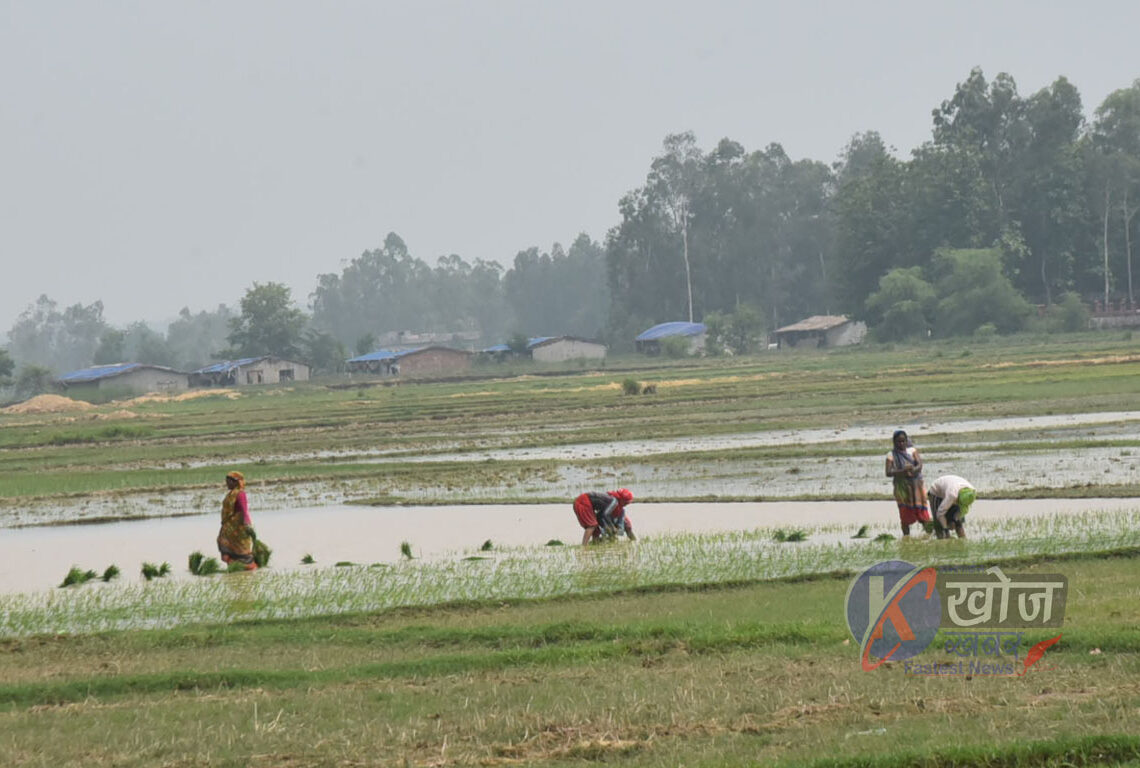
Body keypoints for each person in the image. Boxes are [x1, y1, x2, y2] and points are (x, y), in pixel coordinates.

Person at [885, 429, 931, 536]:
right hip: (902, 488)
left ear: (906, 441)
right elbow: (888, 472)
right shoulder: (891, 455)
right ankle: (906, 537)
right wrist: (903, 472)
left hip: (916, 487)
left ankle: (929, 534)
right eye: (898, 442)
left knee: (922, 512)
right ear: (894, 442)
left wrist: (911, 470)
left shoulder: (912, 451)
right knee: (905, 514)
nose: (901, 444)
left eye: (903, 441)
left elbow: (919, 465)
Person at [217, 470, 257, 570]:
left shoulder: (240, 494)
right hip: (229, 528)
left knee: (241, 551)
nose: (227, 483)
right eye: (226, 481)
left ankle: (244, 569)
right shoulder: (230, 494)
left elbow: (244, 510)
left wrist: (247, 524)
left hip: (238, 528)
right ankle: (235, 567)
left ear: (236, 482)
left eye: (229, 481)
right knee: (225, 547)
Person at [926, 474, 976, 539]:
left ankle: (963, 541)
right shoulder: (952, 495)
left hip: (951, 487)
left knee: (959, 523)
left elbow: (962, 510)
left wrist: (954, 520)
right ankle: (942, 540)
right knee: (939, 525)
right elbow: (940, 514)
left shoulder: (972, 492)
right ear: (957, 499)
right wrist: (946, 527)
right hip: (937, 493)